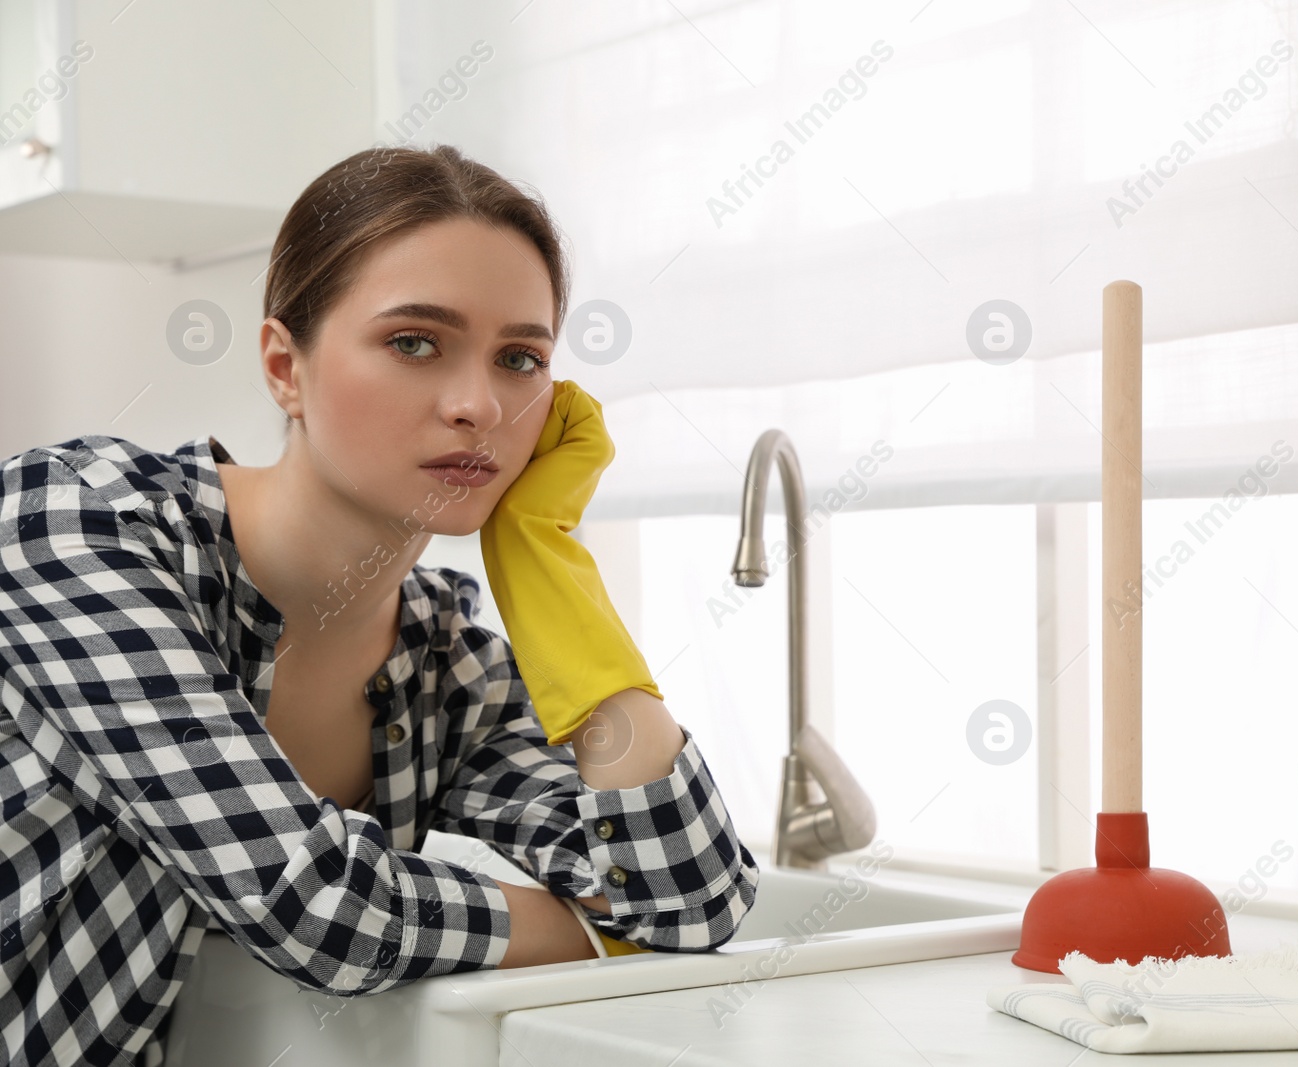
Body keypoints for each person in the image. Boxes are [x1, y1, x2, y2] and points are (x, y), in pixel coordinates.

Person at [0, 144, 758, 1067]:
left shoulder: (446, 661)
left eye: (521, 358)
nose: (479, 403)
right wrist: (593, 935)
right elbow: (316, 905)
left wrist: (546, 564)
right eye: (414, 342)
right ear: (286, 366)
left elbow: (692, 901)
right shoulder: (73, 522)